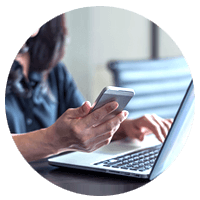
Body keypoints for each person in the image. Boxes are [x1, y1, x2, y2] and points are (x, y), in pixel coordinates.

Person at [5, 14, 173, 162]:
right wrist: (51, 140)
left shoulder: (53, 67)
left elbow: (81, 129)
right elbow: (60, 138)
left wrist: (123, 128)